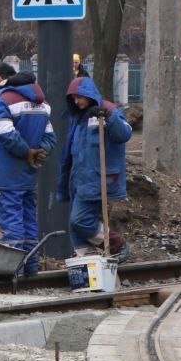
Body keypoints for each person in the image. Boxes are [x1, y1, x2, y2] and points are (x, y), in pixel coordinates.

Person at [0, 64, 56, 275]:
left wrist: (26, 152)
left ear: (0, 78)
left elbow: (4, 133)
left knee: (10, 219)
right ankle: (30, 268)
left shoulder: (3, 99)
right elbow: (51, 137)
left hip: (5, 172)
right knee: (28, 218)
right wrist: (39, 152)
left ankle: (11, 270)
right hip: (29, 173)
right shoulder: (43, 104)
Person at [57, 75, 133, 261]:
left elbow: (124, 134)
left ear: (88, 94)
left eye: (79, 97)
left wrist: (108, 116)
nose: (76, 101)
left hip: (96, 180)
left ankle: (115, 244)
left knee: (80, 220)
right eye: (73, 98)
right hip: (77, 179)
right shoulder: (78, 117)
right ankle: (87, 266)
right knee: (75, 227)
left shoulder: (108, 111)